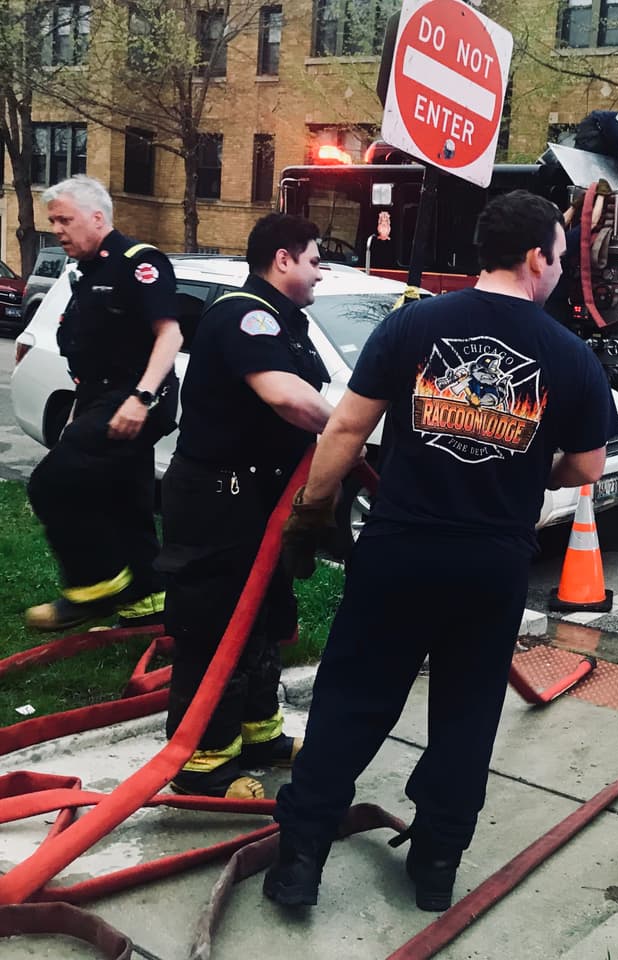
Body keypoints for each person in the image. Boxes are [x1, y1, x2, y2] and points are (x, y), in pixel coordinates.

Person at [263, 190, 615, 911]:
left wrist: (310, 516)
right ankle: (436, 866)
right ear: (535, 258)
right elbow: (585, 467)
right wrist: (521, 463)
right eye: (560, 256)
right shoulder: (569, 355)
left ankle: (299, 861)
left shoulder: (414, 325)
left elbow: (343, 433)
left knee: (353, 701)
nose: (560, 269)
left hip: (399, 548)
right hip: (491, 564)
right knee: (466, 711)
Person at [160, 213, 332, 798]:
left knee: (261, 620)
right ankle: (203, 765)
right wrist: (349, 434)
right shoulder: (245, 314)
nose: (319, 273)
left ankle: (260, 736)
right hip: (218, 498)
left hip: (258, 497)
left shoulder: (287, 322)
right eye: (313, 260)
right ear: (282, 259)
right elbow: (289, 398)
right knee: (215, 625)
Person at [24, 175, 182, 632]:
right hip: (100, 397)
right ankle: (147, 597)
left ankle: (93, 587)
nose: (56, 229)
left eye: (64, 219)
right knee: (122, 500)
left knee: (50, 485)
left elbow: (170, 334)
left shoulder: (139, 262)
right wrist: (78, 410)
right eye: (53, 220)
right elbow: (92, 356)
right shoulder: (86, 274)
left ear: (97, 218)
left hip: (134, 398)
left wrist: (141, 398)